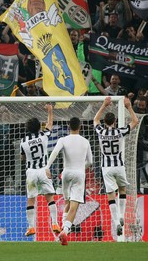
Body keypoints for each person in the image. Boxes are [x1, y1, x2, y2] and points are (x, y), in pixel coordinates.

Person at [94, 96, 139, 238]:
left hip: (106, 167)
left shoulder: (101, 131)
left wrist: (104, 105)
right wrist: (129, 107)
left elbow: (95, 120)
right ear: (114, 122)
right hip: (119, 165)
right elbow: (135, 121)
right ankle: (121, 215)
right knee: (122, 190)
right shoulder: (119, 132)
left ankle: (116, 221)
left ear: (105, 122)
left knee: (110, 194)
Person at [45, 117, 93, 246]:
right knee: (74, 206)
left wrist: (47, 167)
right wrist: (80, 168)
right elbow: (90, 161)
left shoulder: (63, 139)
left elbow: (55, 152)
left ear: (68, 126)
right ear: (80, 127)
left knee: (67, 202)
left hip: (65, 173)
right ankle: (65, 231)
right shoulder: (85, 141)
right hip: (79, 173)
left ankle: (61, 230)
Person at [20, 104, 61, 237]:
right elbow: (50, 123)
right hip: (44, 170)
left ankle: (31, 227)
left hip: (31, 172)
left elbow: (22, 157)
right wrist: (50, 110)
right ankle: (55, 223)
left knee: (31, 200)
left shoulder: (23, 141)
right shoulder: (44, 135)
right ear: (39, 127)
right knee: (50, 198)